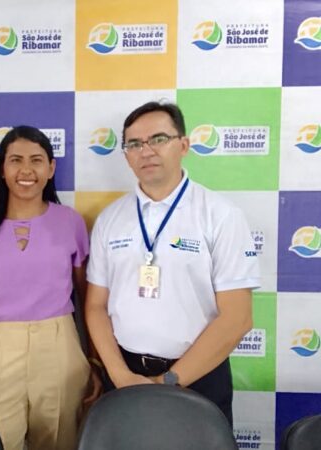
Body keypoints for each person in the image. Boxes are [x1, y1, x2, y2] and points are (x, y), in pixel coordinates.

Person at [85, 101, 260, 425]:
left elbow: (238, 317)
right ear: (125, 155)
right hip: (124, 375)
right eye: (134, 144)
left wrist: (167, 381)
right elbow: (95, 305)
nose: (146, 150)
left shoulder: (220, 215)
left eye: (158, 139)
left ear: (183, 145)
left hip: (198, 377)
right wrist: (119, 374)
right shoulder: (111, 219)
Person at [0, 126, 102, 450]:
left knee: (60, 440)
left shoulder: (70, 222)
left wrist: (95, 361)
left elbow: (88, 298)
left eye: (36, 160)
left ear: (51, 168)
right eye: (15, 160)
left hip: (60, 348)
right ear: (2, 169)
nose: (26, 170)